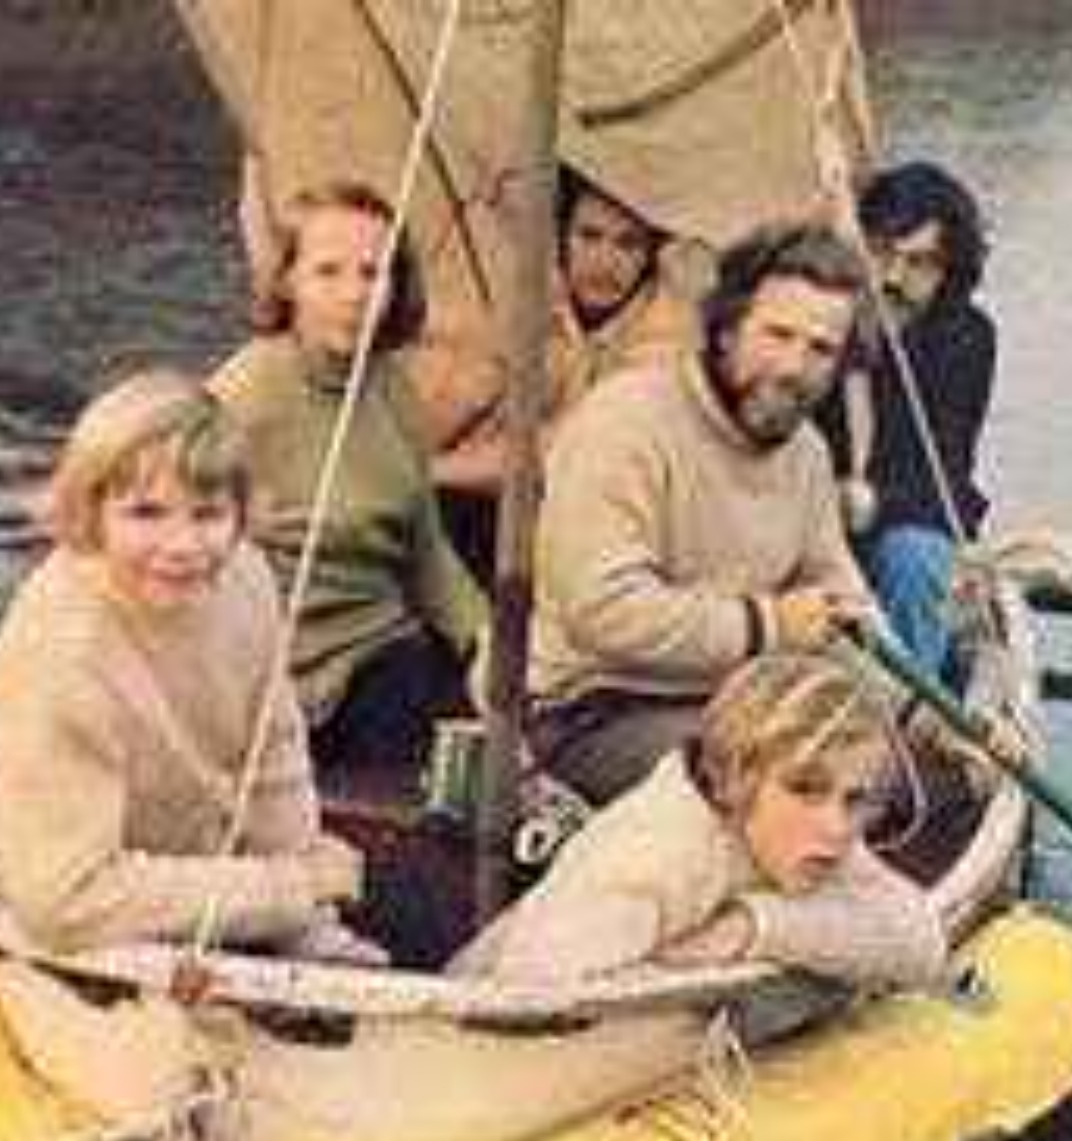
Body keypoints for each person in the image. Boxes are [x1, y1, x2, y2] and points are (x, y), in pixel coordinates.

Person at [0, 369, 376, 969]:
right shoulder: (60, 659)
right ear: (92, 512)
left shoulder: (244, 576)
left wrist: (309, 921)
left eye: (207, 514)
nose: (183, 546)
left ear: (239, 514)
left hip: (174, 862)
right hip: (42, 901)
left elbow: (272, 754)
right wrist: (288, 888)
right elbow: (61, 904)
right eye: (146, 513)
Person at [527, 218, 875, 804]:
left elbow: (847, 607)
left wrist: (934, 722)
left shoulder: (807, 453)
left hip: (732, 704)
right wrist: (769, 625)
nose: (794, 367)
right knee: (785, 786)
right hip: (589, 708)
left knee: (892, 770)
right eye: (777, 335)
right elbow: (603, 611)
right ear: (726, 330)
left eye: (821, 350)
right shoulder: (626, 422)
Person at [456, 652, 946, 992]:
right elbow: (528, 994)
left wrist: (753, 927)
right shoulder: (657, 854)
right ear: (737, 778)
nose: (838, 827)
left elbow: (920, 941)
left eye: (856, 800)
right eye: (805, 789)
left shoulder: (804, 833)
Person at [209, 179, 487, 767]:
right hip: (272, 676)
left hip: (382, 654)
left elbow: (427, 551)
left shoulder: (393, 390)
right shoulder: (242, 395)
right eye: (328, 272)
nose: (355, 294)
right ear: (288, 281)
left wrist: (487, 644)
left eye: (372, 273)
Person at [429, 167, 701, 581]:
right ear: (562, 237)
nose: (604, 262)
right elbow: (469, 389)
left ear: (650, 255)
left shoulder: (668, 336)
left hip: (622, 526)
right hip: (525, 503)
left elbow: (560, 452)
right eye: (589, 236)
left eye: (628, 244)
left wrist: (428, 472)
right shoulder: (541, 295)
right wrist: (397, 456)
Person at [819, 161, 996, 681]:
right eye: (881, 253)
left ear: (949, 271)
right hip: (809, 518)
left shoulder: (966, 337)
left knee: (914, 559)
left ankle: (906, 708)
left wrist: (868, 502)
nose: (892, 278)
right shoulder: (818, 320)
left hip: (909, 520)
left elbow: (942, 472)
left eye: (918, 263)